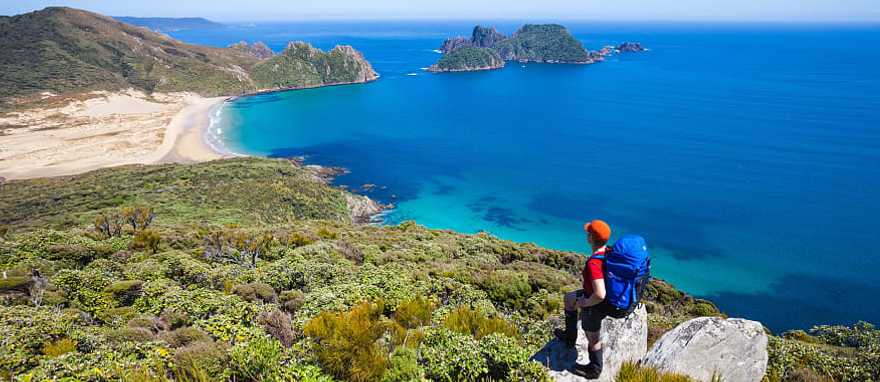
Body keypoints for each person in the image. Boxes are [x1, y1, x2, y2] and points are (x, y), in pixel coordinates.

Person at [554, 219, 614, 379]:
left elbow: (600, 294)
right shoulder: (608, 251)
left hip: (595, 302)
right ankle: (570, 337)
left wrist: (586, 303)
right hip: (592, 294)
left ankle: (594, 369)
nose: (586, 235)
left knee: (592, 338)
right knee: (569, 298)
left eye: (588, 233)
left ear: (591, 238)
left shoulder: (594, 263)